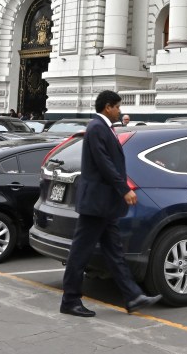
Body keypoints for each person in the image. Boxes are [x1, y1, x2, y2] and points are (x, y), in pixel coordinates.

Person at [59, 90, 161, 317]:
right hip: (96, 203)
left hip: (103, 204)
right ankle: (70, 300)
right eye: (117, 107)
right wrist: (124, 189)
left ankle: (133, 297)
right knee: (80, 253)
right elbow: (104, 163)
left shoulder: (104, 128)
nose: (120, 110)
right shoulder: (97, 128)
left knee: (114, 252)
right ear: (108, 107)